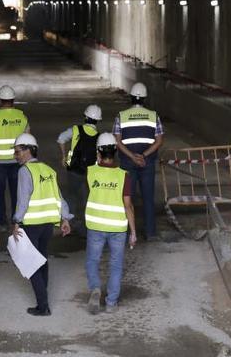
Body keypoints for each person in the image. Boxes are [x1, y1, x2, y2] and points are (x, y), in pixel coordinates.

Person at [10, 133, 72, 316]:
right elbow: (58, 197)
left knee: (32, 265)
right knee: (42, 260)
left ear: (29, 150)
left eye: (18, 151)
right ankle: (43, 296)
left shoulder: (24, 171)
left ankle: (43, 306)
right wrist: (65, 218)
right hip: (47, 226)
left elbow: (22, 200)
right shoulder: (48, 170)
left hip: (31, 224)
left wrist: (16, 222)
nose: (16, 155)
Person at [85, 133, 136, 314]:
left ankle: (96, 288)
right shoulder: (124, 176)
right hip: (117, 228)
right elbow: (128, 205)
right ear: (115, 151)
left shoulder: (90, 172)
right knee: (115, 265)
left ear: (98, 151)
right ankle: (111, 303)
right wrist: (133, 232)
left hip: (95, 226)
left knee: (92, 261)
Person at [113, 82, 163, 240]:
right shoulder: (154, 115)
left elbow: (117, 141)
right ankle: (150, 233)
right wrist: (144, 156)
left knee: (127, 198)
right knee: (148, 198)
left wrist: (132, 156)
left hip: (128, 163)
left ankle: (127, 231)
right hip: (147, 163)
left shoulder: (121, 116)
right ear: (144, 99)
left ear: (131, 97)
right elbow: (159, 140)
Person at [0, 85, 30, 226]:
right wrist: (28, 159)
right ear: (13, 99)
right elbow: (28, 138)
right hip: (18, 161)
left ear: (0, 99)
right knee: (17, 192)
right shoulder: (21, 116)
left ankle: (2, 221)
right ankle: (16, 219)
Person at [56, 104, 101, 232]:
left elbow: (60, 139)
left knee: (71, 196)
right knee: (87, 199)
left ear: (85, 117)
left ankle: (68, 223)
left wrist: (64, 157)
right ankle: (85, 227)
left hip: (73, 170)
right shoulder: (99, 136)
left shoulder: (75, 129)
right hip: (89, 173)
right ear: (97, 120)